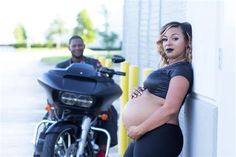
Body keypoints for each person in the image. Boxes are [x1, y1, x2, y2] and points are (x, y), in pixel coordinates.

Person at [122, 21, 193, 157]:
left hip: (160, 133)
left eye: (175, 38)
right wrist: (142, 92)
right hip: (149, 132)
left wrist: (139, 129)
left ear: (187, 42)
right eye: (165, 39)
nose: (168, 43)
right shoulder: (171, 68)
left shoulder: (182, 70)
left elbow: (171, 109)